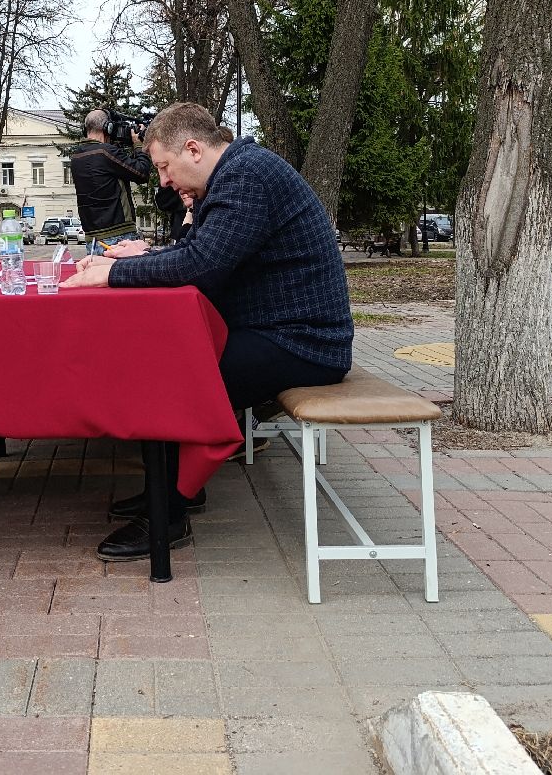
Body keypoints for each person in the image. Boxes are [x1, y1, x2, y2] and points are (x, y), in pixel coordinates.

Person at [63, 102, 354, 561]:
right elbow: (196, 251)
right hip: (280, 331)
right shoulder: (236, 173)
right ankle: (172, 488)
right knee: (162, 363)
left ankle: (168, 512)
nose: (161, 180)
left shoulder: (246, 177)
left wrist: (112, 274)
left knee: (170, 378)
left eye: (163, 167)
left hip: (306, 343)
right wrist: (132, 261)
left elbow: (201, 266)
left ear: (193, 150)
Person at [68, 109, 152, 254]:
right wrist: (138, 145)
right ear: (108, 127)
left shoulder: (76, 157)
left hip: (93, 240)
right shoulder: (106, 152)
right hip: (118, 237)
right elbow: (142, 173)